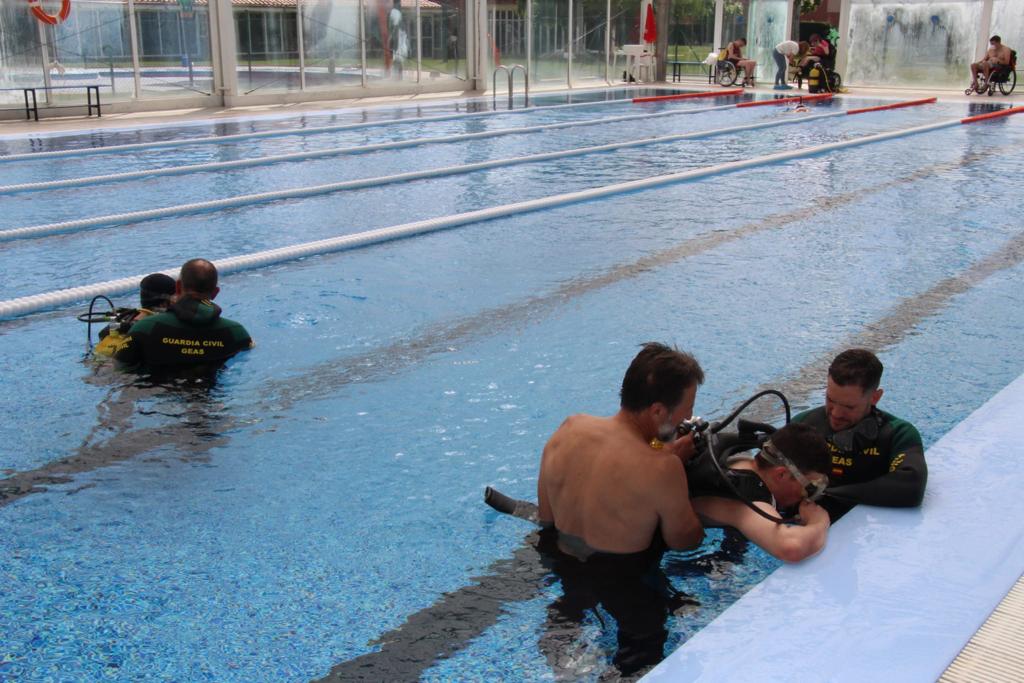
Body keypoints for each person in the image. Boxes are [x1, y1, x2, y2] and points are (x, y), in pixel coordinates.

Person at [791, 348, 927, 520]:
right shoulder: (804, 424)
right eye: (830, 400)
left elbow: (912, 487)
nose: (836, 414)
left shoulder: (897, 434)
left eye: (849, 407)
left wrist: (826, 494)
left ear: (875, 398)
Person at [688, 422, 832, 562]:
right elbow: (791, 548)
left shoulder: (741, 461)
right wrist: (819, 521)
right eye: (809, 488)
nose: (807, 498)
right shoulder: (749, 499)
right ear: (781, 475)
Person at [113, 258, 253, 370]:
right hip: (211, 400)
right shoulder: (237, 333)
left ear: (178, 287)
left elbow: (119, 368)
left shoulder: (144, 328)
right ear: (215, 293)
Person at [93, 273, 176, 358]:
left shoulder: (127, 317)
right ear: (164, 303)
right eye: (175, 297)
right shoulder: (160, 326)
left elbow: (102, 334)